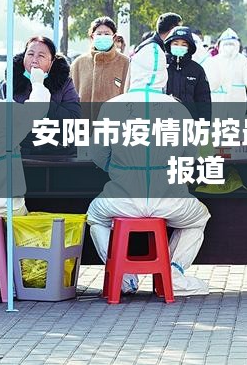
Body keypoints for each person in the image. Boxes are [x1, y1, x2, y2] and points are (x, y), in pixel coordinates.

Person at [87, 42, 211, 296]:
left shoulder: (112, 106)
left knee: (95, 217)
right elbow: (190, 157)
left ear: (133, 71)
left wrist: (118, 167)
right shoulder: (178, 108)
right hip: (170, 199)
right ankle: (173, 273)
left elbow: (98, 155)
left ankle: (124, 278)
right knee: (199, 218)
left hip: (122, 198)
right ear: (164, 74)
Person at [0, 74, 52, 292]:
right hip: (6, 204)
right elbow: (38, 108)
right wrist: (38, 82)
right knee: (16, 219)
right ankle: (18, 274)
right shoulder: (7, 113)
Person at [0, 36, 81, 155]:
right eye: (30, 54)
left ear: (51, 62)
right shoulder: (10, 84)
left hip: (58, 152)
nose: (34, 60)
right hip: (21, 153)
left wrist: (43, 99)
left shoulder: (64, 83)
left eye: (41, 56)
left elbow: (74, 121)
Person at [71, 17, 129, 121]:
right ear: (92, 37)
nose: (103, 37)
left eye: (107, 34)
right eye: (99, 34)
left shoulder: (125, 63)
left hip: (114, 124)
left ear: (114, 37)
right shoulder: (78, 64)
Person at [203, 28, 247, 121]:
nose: (229, 47)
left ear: (237, 45)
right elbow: (206, 79)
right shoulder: (213, 61)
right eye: (226, 44)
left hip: (236, 97)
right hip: (217, 98)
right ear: (220, 45)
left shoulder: (242, 60)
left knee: (234, 124)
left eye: (231, 44)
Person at [164, 26, 211, 122]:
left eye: (184, 45)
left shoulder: (197, 70)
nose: (179, 47)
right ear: (169, 44)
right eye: (175, 44)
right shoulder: (161, 66)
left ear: (189, 47)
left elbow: (203, 99)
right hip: (163, 119)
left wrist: (204, 123)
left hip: (189, 121)